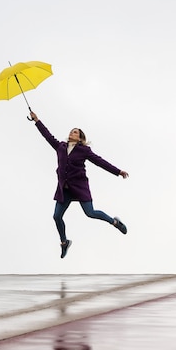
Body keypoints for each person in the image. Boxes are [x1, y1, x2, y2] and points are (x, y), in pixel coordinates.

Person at [29, 111, 129, 259]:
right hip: (65, 189)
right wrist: (37, 120)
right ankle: (64, 243)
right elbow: (47, 135)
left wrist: (118, 171)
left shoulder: (84, 150)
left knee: (90, 213)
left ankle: (115, 222)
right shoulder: (60, 147)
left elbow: (100, 162)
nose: (72, 132)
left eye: (75, 132)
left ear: (80, 138)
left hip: (79, 187)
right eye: (71, 131)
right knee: (56, 216)